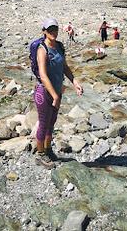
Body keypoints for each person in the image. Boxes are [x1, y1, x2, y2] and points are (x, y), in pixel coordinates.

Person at [34, 17, 83, 168]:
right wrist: (54, 95)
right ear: (44, 32)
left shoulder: (60, 47)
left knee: (52, 122)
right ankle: (40, 154)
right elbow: (43, 75)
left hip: (57, 91)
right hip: (44, 92)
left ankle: (48, 150)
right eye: (50, 30)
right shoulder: (42, 50)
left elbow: (65, 68)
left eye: (55, 29)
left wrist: (74, 82)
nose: (53, 32)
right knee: (43, 123)